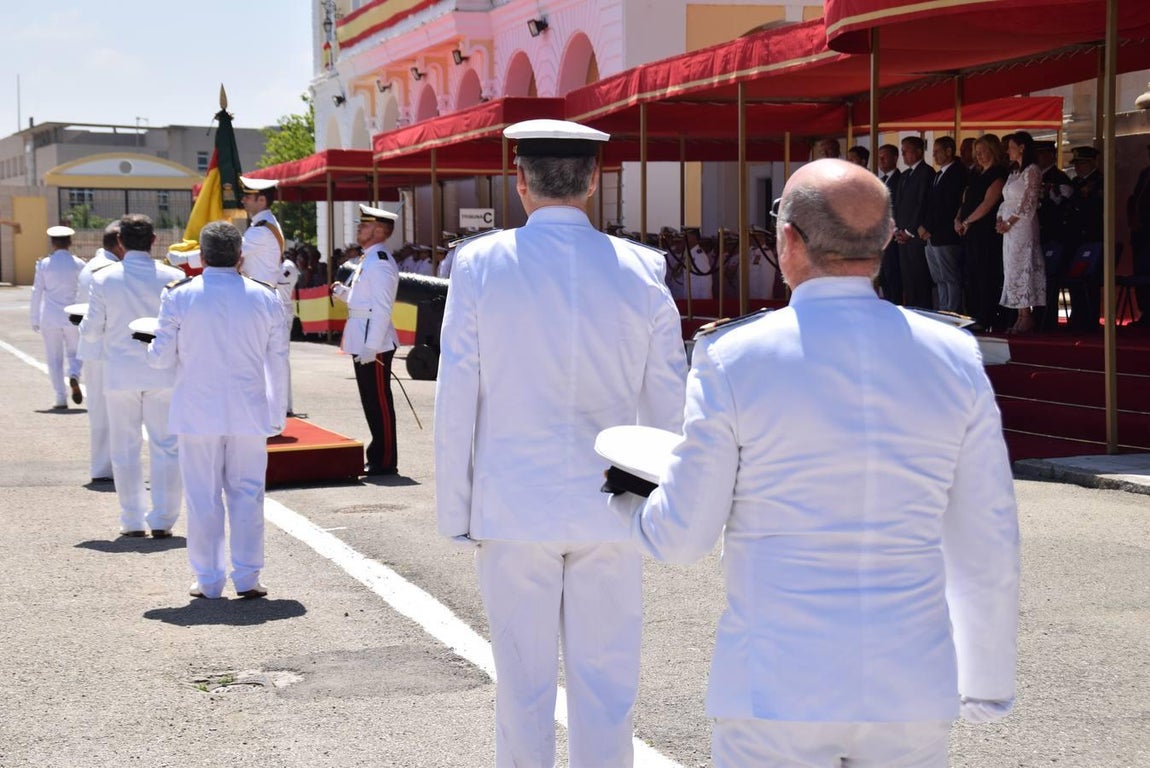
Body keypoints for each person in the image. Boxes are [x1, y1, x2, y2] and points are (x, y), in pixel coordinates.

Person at [615, 158, 1019, 767]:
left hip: (776, 685)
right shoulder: (954, 354)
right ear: (886, 239)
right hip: (909, 684)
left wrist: (626, 505)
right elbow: (986, 535)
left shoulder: (733, 355)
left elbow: (682, 537)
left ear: (788, 240)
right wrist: (986, 678)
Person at [434, 119, 687, 768]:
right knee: (606, 688)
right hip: (614, 503)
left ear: (518, 182)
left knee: (522, 688)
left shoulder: (480, 262)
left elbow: (458, 389)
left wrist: (455, 508)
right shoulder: (643, 267)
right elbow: (668, 398)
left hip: (514, 501)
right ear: (595, 181)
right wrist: (658, 503)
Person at [145, 221, 288, 599]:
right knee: (247, 493)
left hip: (197, 412)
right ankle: (247, 577)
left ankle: (209, 580)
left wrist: (146, 341)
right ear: (240, 257)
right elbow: (278, 361)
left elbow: (160, 361)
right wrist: (278, 413)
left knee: (202, 495)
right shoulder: (267, 297)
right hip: (248, 410)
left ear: (202, 258)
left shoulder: (178, 296)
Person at [80, 214, 185, 538]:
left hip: (120, 372)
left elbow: (93, 328)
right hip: (163, 371)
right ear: (154, 240)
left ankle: (132, 519)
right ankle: (163, 518)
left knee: (124, 446)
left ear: (120, 242)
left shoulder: (104, 278)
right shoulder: (175, 276)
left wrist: (85, 346)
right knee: (166, 445)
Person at [331, 204, 400, 476]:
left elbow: (382, 308)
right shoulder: (368, 258)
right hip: (364, 336)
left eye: (366, 225)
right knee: (370, 400)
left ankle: (384, 460)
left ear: (380, 231)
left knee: (379, 402)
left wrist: (372, 347)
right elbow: (364, 301)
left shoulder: (380, 261)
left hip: (375, 341)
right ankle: (378, 455)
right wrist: (343, 294)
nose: (360, 228)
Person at [239, 176, 293, 412]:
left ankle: (271, 418)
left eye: (248, 197)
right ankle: (270, 416)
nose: (243, 200)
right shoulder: (262, 225)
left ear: (261, 200)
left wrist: (183, 257)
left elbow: (227, 252)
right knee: (267, 363)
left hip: (260, 301)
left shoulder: (260, 231)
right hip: (262, 299)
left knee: (265, 363)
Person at [76, 222, 124, 482]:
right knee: (111, 412)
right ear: (119, 242)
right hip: (105, 348)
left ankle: (102, 466)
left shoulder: (91, 266)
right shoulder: (107, 270)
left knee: (99, 410)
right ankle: (107, 467)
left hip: (95, 348)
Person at [30, 225, 85, 409]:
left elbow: (37, 291)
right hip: (73, 316)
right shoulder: (78, 264)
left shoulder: (44, 264)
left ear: (53, 243)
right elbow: (86, 290)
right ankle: (75, 375)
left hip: (50, 316)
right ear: (70, 242)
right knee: (76, 352)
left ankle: (60, 397)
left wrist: (34, 318)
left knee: (54, 358)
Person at [957, 135, 1008, 332]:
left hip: (985, 231)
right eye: (976, 152)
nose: (978, 156)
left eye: (982, 151)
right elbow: (965, 201)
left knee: (985, 274)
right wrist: (958, 219)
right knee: (971, 275)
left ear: (993, 151)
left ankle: (986, 317)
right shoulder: (975, 174)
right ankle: (973, 314)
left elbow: (988, 203)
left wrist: (968, 221)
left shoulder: (998, 173)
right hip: (969, 231)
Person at [997, 131, 1046, 334]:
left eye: (1011, 146)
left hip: (1022, 226)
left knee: (1023, 263)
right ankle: (1019, 314)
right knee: (1012, 267)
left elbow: (1029, 200)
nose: (1008, 151)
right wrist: (1000, 219)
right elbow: (1006, 199)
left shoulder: (1032, 170)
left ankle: (1027, 315)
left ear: (1022, 147)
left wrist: (1010, 221)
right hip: (1009, 228)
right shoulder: (1014, 173)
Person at [922, 135, 968, 312]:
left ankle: (952, 311)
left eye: (937, 152)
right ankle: (943, 309)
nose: (934, 156)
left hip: (946, 235)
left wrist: (929, 227)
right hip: (933, 236)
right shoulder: (938, 174)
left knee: (950, 277)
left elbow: (948, 205)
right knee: (939, 278)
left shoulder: (957, 172)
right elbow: (930, 203)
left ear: (949, 151)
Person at [1036, 140, 1075, 330]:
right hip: (1038, 234)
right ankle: (1039, 315)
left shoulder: (1059, 178)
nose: (1040, 158)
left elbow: (1062, 206)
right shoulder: (1035, 175)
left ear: (1052, 155)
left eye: (1044, 154)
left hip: (1054, 235)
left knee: (1050, 279)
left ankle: (1048, 319)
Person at [895, 136, 933, 308]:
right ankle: (911, 308)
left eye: (906, 150)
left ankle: (922, 310)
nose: (903, 153)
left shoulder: (926, 172)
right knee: (907, 278)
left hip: (915, 235)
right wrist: (897, 228)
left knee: (920, 277)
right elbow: (898, 204)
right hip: (902, 234)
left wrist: (909, 231)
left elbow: (922, 203)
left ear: (918, 151)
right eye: (902, 150)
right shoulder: (905, 175)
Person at [1126, 142, 1150, 326]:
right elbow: (1135, 199)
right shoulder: (1145, 173)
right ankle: (1145, 312)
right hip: (1142, 234)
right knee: (1141, 273)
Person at [876, 143, 902, 303]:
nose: (881, 160)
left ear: (895, 158)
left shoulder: (900, 179)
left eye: (884, 156)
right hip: (880, 234)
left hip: (894, 234)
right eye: (879, 157)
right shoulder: (880, 181)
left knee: (893, 274)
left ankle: (896, 304)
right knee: (883, 274)